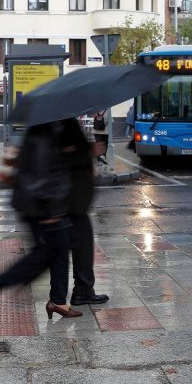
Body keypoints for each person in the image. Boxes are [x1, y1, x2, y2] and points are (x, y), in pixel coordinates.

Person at [0, 120, 82, 319]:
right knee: (45, 253)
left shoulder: (41, 130)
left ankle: (57, 301)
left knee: (60, 249)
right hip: (43, 205)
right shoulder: (44, 134)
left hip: (39, 203)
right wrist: (51, 210)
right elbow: (42, 176)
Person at [61, 118, 110, 306]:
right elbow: (61, 156)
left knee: (80, 246)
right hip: (73, 199)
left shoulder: (66, 120)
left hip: (76, 199)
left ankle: (81, 290)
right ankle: (81, 291)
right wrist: (89, 152)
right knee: (81, 246)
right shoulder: (63, 122)